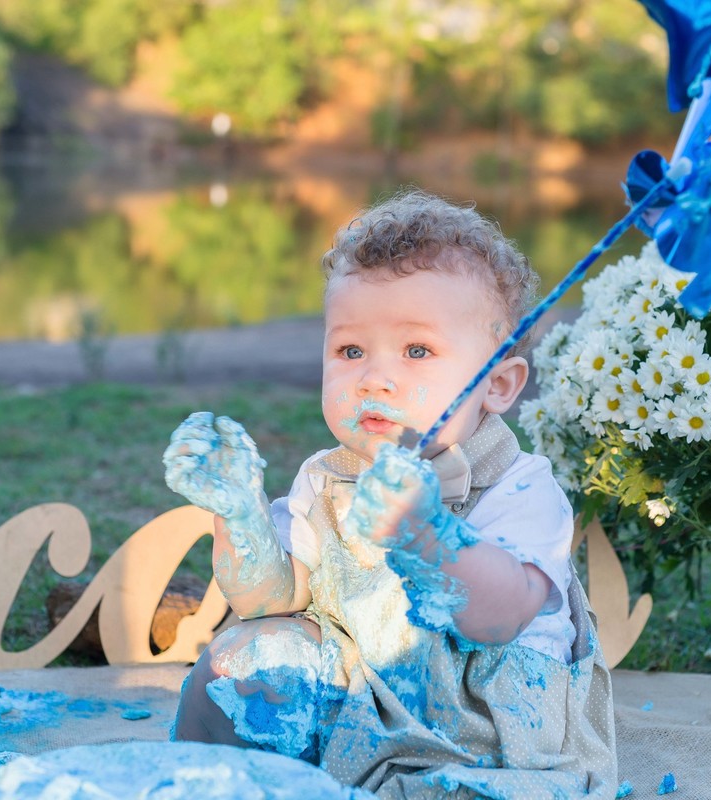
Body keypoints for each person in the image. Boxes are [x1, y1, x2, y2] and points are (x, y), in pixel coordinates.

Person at [163, 190, 616, 798]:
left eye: (417, 350)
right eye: (351, 350)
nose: (375, 377)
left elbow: (501, 617)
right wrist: (238, 513)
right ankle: (209, 786)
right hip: (358, 699)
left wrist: (429, 535)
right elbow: (269, 598)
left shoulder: (518, 487)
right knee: (238, 662)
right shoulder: (328, 477)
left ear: (499, 384)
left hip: (481, 732)